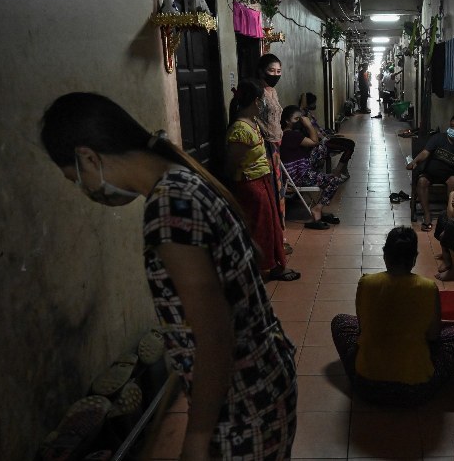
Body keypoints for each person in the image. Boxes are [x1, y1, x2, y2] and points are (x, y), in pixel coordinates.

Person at [40, 93, 297, 460]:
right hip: (264, 379)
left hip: (243, 405)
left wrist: (196, 439)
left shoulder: (169, 209)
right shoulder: (185, 181)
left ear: (89, 158)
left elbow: (214, 336)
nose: (87, 191)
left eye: (77, 179)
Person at [330, 226, 454, 407]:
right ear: (414, 258)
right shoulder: (428, 288)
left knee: (340, 321)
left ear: (385, 255)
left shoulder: (366, 283)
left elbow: (362, 328)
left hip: (367, 386)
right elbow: (433, 336)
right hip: (416, 391)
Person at [227, 79, 301, 281]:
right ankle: (262, 267)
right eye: (262, 100)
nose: (264, 104)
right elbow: (233, 163)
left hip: (261, 181)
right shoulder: (240, 129)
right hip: (250, 184)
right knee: (262, 227)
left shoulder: (253, 123)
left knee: (271, 224)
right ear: (256, 101)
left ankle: (275, 264)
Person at [279, 105, 345, 230]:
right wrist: (309, 125)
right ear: (287, 121)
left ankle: (318, 207)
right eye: (297, 119)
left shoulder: (287, 134)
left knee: (322, 146)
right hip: (299, 176)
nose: (300, 122)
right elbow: (314, 141)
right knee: (335, 180)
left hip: (299, 171)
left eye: (301, 119)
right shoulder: (291, 135)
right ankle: (317, 209)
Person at [406, 113, 454, 231]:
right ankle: (427, 215)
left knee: (453, 181)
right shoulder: (438, 138)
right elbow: (425, 152)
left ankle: (449, 213)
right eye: (452, 127)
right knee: (422, 181)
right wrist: (414, 162)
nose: (453, 130)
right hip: (431, 173)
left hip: (449, 174)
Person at [255, 53, 291, 252]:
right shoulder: (257, 92)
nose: (276, 75)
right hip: (264, 148)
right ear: (262, 71)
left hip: (276, 147)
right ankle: (272, 238)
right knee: (269, 192)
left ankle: (279, 234)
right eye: (271, 71)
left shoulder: (273, 92)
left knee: (278, 191)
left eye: (278, 71)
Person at [298, 92, 355, 180]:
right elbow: (302, 106)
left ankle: (342, 169)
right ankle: (338, 171)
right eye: (313, 103)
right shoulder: (303, 116)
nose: (315, 105)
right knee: (349, 146)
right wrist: (304, 96)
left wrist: (330, 135)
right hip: (322, 142)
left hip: (325, 138)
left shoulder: (309, 114)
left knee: (350, 144)